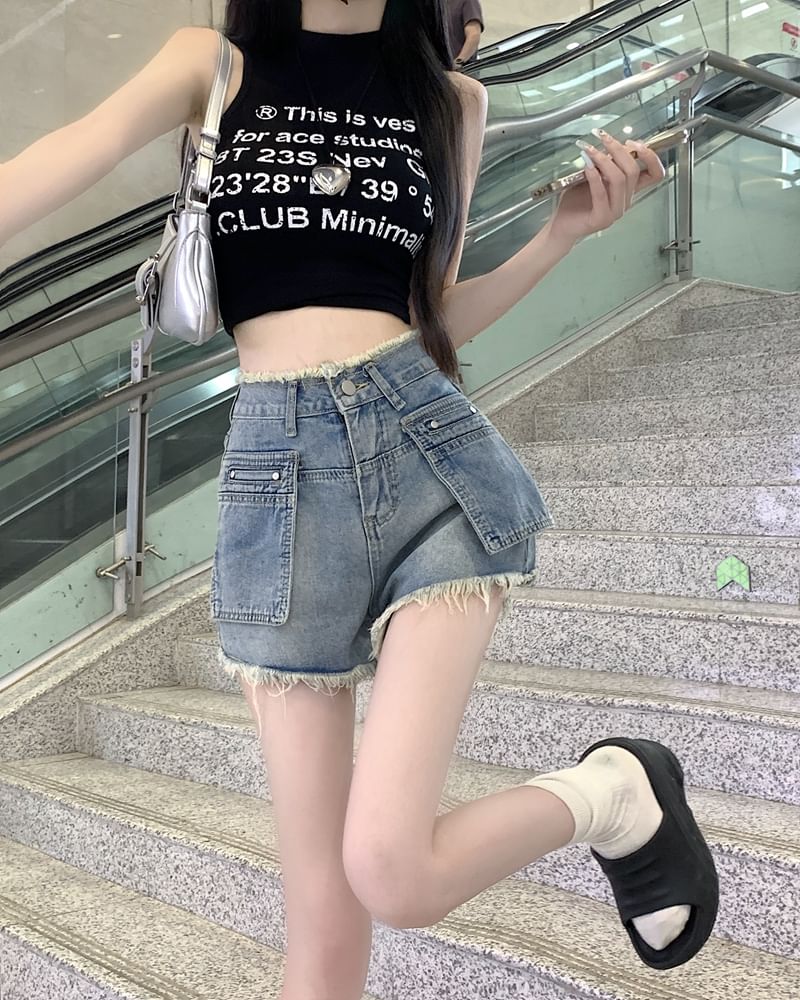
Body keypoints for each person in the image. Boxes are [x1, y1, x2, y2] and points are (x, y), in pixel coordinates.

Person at [0, 1, 719, 997]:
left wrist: (560, 233)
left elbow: (432, 319)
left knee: (391, 870)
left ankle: (612, 796)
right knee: (325, 927)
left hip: (426, 456)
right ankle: (614, 786)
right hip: (277, 489)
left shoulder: (448, 101)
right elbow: (54, 157)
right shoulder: (211, 65)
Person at [447, 0, 485, 69]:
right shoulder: (438, 4)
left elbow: (474, 35)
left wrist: (459, 62)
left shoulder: (469, 2)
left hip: (461, 70)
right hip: (439, 68)